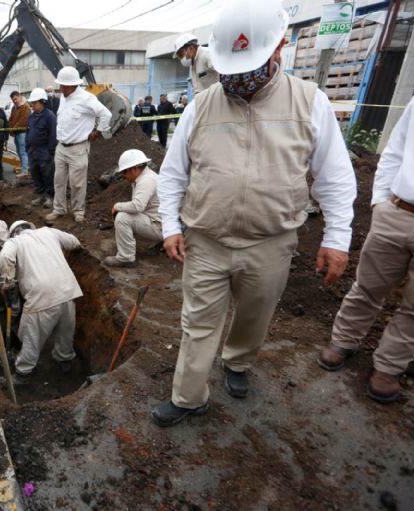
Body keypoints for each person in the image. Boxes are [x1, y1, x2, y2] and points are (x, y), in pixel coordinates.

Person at [152, 0, 357, 427]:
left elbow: (334, 178)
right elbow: (172, 174)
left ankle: (238, 363)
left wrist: (337, 237)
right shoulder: (201, 106)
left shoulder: (309, 103)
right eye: (230, 70)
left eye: (247, 68)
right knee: (197, 323)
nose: (237, 80)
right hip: (206, 241)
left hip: (271, 242)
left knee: (254, 314)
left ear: (279, 48)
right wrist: (171, 225)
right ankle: (189, 397)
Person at [318, 88, 414, 403]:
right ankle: (343, 341)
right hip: (399, 211)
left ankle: (389, 366)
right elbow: (396, 149)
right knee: (367, 286)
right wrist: (380, 202)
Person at [0, 220, 82, 384]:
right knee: (66, 331)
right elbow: (74, 242)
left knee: (32, 336)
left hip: (41, 295)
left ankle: (23, 372)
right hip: (68, 290)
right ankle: (64, 359)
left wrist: (8, 282)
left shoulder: (14, 242)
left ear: (14, 232)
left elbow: (5, 256)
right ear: (30, 227)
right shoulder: (48, 231)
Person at [46, 66, 112, 224]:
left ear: (72, 85)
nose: (60, 88)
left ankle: (78, 211)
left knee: (77, 183)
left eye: (63, 85)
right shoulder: (64, 97)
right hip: (61, 147)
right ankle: (59, 209)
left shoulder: (86, 99)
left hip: (78, 148)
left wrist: (98, 131)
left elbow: (106, 114)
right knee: (59, 181)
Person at [104, 150, 162, 268]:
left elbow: (137, 206)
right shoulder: (145, 177)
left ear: (134, 168)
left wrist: (117, 206)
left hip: (160, 227)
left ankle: (126, 258)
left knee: (122, 218)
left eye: (124, 172)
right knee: (126, 213)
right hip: (162, 222)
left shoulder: (146, 181)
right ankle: (158, 243)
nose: (124, 176)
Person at [25, 88, 57, 209]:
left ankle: (50, 197)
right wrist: (27, 147)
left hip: (44, 150)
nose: (32, 105)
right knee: (35, 173)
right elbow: (28, 132)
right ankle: (41, 195)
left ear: (42, 102)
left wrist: (50, 150)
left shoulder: (50, 116)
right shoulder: (32, 117)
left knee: (47, 174)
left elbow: (53, 135)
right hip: (33, 150)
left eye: (34, 103)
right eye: (32, 103)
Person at [9, 91, 30, 176]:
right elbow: (10, 119)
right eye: (13, 100)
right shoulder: (14, 108)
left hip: (22, 133)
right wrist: (10, 129)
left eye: (15, 99)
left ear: (20, 97)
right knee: (19, 151)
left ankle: (24, 171)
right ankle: (23, 168)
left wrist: (12, 129)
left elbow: (23, 121)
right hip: (16, 133)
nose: (15, 101)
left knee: (23, 152)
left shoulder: (25, 107)